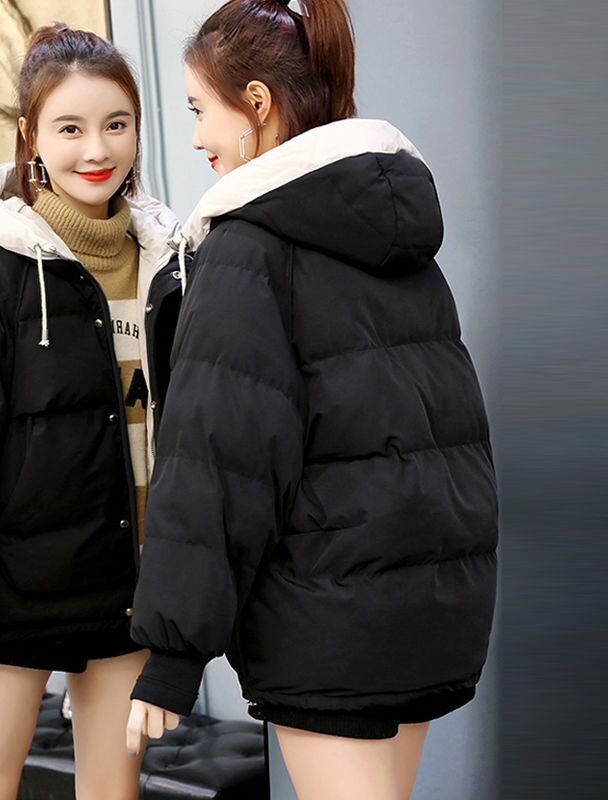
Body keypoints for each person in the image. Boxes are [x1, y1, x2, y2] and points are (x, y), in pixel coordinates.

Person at [125, 2, 499, 798]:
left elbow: (219, 456)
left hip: (325, 615)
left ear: (257, 103)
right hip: (433, 601)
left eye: (199, 109)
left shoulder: (247, 247)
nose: (196, 137)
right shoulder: (401, 238)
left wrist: (174, 651)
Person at [0, 24, 183, 799]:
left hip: (129, 582)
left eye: (116, 124)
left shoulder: (168, 268)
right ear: (31, 137)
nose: (98, 149)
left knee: (113, 791)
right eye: (70, 128)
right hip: (15, 584)